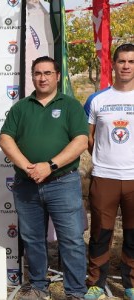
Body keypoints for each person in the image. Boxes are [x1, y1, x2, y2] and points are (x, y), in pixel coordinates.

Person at [0, 56, 88, 300]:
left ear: (57, 76)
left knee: (71, 240)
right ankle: (39, 286)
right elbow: (5, 139)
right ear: (32, 76)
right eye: (37, 73)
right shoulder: (21, 107)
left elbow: (81, 141)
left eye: (48, 73)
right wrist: (29, 167)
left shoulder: (70, 105)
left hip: (63, 183)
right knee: (32, 239)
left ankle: (75, 292)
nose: (42, 77)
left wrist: (49, 165)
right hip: (27, 184)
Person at [83, 43, 134, 300]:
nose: (126, 66)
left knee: (133, 233)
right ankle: (95, 282)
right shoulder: (98, 99)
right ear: (113, 64)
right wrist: (102, 158)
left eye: (131, 62)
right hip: (105, 175)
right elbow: (88, 137)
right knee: (101, 232)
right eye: (121, 61)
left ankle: (131, 283)